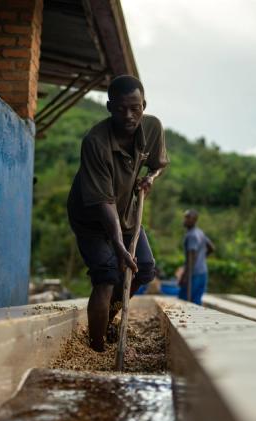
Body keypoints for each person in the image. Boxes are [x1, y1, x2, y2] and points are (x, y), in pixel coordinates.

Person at [66, 75, 169, 352]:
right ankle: (96, 348)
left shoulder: (152, 127)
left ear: (144, 105)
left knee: (144, 269)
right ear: (110, 107)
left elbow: (158, 164)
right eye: (121, 109)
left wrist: (151, 178)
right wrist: (118, 245)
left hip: (126, 212)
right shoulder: (95, 142)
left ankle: (106, 320)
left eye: (135, 108)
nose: (129, 116)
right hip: (92, 216)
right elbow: (104, 203)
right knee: (107, 276)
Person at [179, 209, 215, 305]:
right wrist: (202, 258)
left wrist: (185, 277)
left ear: (194, 220)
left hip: (194, 275)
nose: (185, 220)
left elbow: (192, 258)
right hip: (203, 273)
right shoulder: (200, 233)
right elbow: (211, 248)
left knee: (183, 303)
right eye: (185, 217)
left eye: (188, 218)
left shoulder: (191, 235)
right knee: (196, 302)